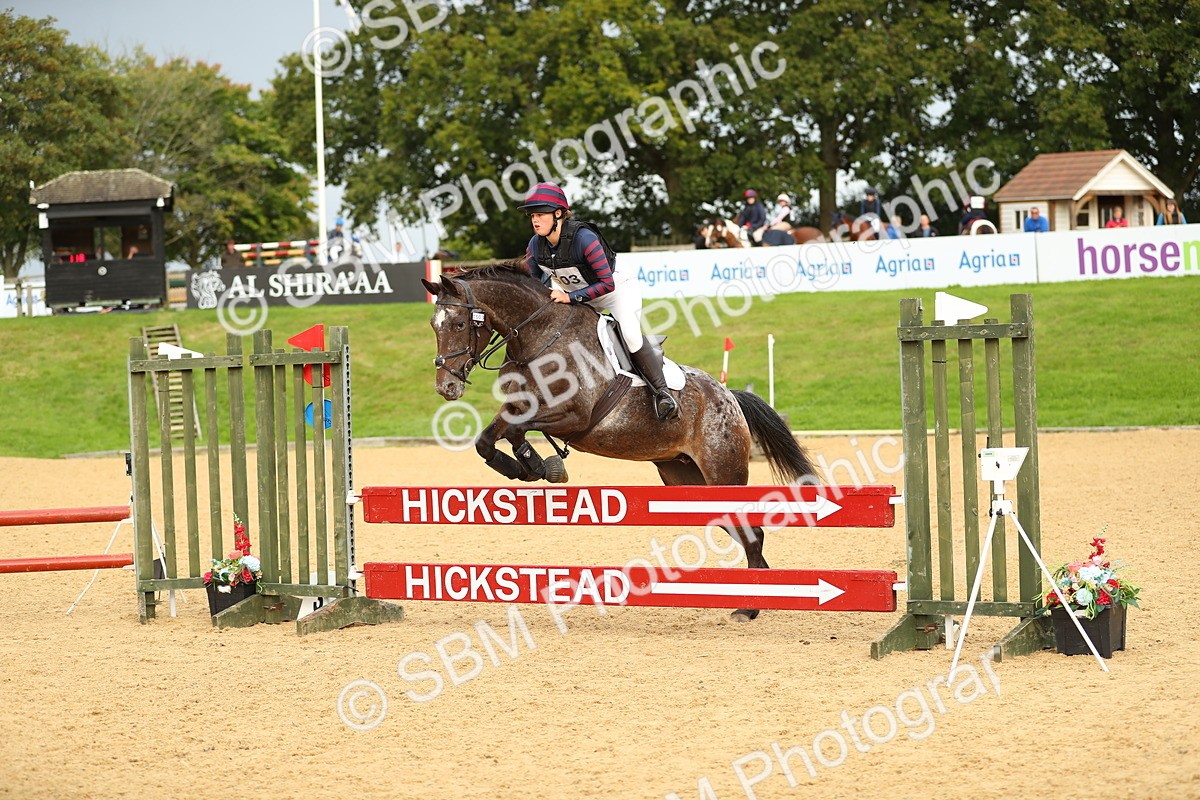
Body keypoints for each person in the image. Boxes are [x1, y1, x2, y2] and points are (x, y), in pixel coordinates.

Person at [519, 181, 679, 421]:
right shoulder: (535, 245)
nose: (535, 220)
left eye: (540, 214)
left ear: (558, 214)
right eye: (533, 215)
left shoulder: (584, 238)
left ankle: (663, 393)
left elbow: (607, 283)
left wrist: (569, 296)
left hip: (616, 292)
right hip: (579, 299)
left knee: (631, 335)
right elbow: (531, 283)